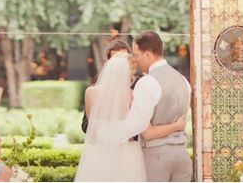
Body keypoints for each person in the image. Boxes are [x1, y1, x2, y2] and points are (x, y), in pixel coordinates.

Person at [75, 51, 186, 181]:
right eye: (131, 73)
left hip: (99, 151)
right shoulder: (132, 96)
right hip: (127, 152)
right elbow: (145, 129)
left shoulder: (91, 93)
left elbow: (92, 129)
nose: (132, 77)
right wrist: (177, 125)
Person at [113, 30, 193, 182]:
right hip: (182, 155)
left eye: (137, 55)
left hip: (156, 156)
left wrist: (109, 135)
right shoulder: (183, 80)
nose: (135, 60)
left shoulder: (147, 82)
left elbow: (136, 126)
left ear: (147, 54)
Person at [81, 38, 134, 134]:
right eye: (116, 59)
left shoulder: (139, 87)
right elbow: (85, 125)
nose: (120, 64)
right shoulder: (94, 91)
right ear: (109, 62)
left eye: (124, 59)